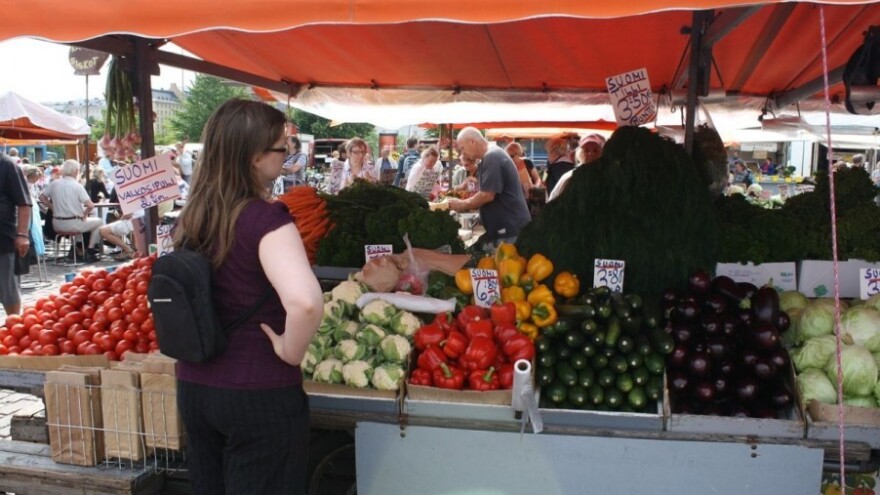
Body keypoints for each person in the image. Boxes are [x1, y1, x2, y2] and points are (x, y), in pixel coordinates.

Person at [173, 99, 323, 494]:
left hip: (195, 388)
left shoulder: (193, 216)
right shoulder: (265, 219)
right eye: (281, 147)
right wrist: (291, 352)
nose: (286, 154)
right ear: (256, 158)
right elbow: (306, 302)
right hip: (258, 393)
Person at [447, 127, 531, 245]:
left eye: (462, 148)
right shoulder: (491, 155)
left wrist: (462, 204)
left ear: (472, 141)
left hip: (510, 231)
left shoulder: (492, 157)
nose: (463, 153)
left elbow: (487, 195)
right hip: (509, 229)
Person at [38, 160, 104, 262]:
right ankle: (90, 251)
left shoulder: (54, 183)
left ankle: (75, 251)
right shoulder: (77, 186)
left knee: (79, 223)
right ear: (76, 171)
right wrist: (84, 214)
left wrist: (52, 207)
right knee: (99, 222)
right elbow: (91, 205)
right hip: (73, 223)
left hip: (57, 223)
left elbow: (42, 197)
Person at [0, 154, 32, 315]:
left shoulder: (7, 165)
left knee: (8, 291)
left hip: (3, 240)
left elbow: (24, 203)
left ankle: (13, 326)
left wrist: (22, 234)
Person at [548, 133, 606, 202]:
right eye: (586, 150)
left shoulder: (609, 176)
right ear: (580, 153)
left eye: (596, 150)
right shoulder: (569, 177)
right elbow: (553, 202)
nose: (591, 154)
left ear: (602, 153)